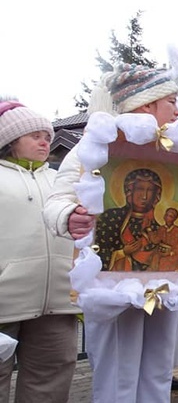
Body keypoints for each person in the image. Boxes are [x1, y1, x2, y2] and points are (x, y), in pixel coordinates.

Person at [43, 61, 178, 403]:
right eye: (171, 101)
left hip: (164, 285)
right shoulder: (97, 145)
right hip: (113, 288)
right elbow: (58, 200)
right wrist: (70, 216)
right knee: (118, 371)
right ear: (147, 105)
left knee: (159, 367)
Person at [0, 101, 79, 403]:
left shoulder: (61, 181)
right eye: (34, 135)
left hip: (57, 304)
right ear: (10, 140)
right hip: (4, 304)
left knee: (50, 380)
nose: (45, 141)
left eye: (47, 135)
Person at [96, 168, 165, 271]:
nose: (144, 196)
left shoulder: (156, 227)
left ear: (156, 195)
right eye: (140, 189)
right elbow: (97, 252)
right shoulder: (111, 218)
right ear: (129, 191)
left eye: (150, 190)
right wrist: (122, 252)